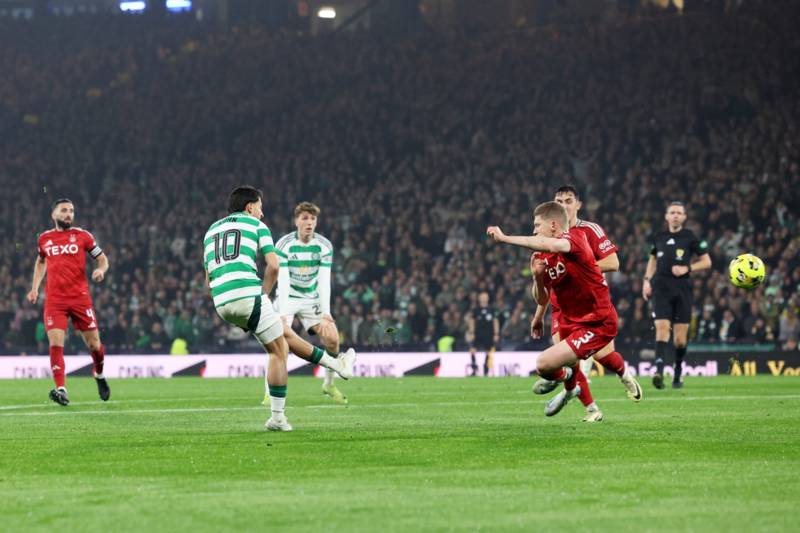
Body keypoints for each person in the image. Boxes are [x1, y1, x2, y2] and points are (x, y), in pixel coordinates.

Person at [204, 187, 355, 432]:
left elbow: (208, 279)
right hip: (247, 293)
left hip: (221, 301)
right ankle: (278, 417)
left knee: (284, 335)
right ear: (250, 207)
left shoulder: (211, 231)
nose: (262, 213)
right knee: (279, 351)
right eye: (260, 207)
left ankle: (338, 366)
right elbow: (273, 266)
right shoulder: (257, 226)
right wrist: (262, 294)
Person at [487, 201, 640, 422]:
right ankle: (578, 393)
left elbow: (549, 245)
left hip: (597, 321)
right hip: (569, 318)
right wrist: (537, 278)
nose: (534, 230)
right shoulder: (541, 257)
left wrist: (505, 238)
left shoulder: (574, 238)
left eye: (537, 225)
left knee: (551, 363)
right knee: (554, 365)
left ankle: (600, 378)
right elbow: (542, 296)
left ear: (553, 225)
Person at [530, 185, 642, 413]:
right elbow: (547, 283)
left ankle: (623, 375)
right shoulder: (546, 238)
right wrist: (539, 315)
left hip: (591, 305)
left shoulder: (590, 230)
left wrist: (581, 270)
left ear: (578, 205)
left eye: (568, 200)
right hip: (562, 308)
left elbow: (613, 263)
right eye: (558, 201)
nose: (563, 205)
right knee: (566, 358)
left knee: (602, 355)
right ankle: (591, 408)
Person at [27, 198, 110, 406]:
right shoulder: (44, 239)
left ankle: (99, 374)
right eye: (64, 210)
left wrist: (100, 270)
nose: (68, 214)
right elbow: (41, 261)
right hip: (55, 301)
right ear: (53, 215)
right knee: (55, 342)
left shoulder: (83, 236)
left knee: (95, 345)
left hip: (80, 299)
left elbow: (102, 259)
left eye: (71, 211)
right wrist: (35, 287)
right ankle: (61, 389)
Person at [272, 201, 349, 405]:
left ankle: (328, 384)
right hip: (287, 297)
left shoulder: (324, 246)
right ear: (296, 221)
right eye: (305, 218)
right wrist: (284, 313)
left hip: (310, 298)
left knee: (332, 338)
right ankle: (268, 390)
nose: (309, 222)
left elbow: (324, 280)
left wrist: (326, 312)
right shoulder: (284, 244)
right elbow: (284, 280)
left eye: (313, 219)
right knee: (278, 341)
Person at [642, 201, 712, 389]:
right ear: (666, 216)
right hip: (661, 289)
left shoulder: (690, 237)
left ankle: (678, 372)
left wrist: (687, 268)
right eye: (672, 212)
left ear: (684, 217)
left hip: (682, 290)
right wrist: (647, 280)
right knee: (662, 328)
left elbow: (706, 262)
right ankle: (658, 370)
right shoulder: (659, 237)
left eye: (678, 213)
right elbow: (653, 259)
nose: (675, 215)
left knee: (680, 339)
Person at [466, 291, 499, 376]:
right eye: (482, 296)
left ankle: (486, 368)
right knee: (472, 350)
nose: (484, 298)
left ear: (488, 298)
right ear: (479, 298)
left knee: (488, 351)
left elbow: (495, 321)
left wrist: (496, 333)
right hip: (477, 333)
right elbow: (472, 321)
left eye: (485, 296)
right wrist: (471, 332)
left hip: (489, 334)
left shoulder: (492, 309)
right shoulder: (475, 310)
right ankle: (474, 367)